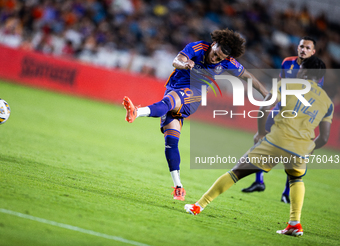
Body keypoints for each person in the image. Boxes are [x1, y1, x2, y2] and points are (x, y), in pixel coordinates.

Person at [185, 56, 333, 237]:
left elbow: (264, 107)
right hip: (301, 148)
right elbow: (324, 137)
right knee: (296, 179)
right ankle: (294, 223)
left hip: (276, 141)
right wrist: (311, 148)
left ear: (303, 71)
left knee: (236, 172)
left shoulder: (288, 85)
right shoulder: (327, 102)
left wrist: (261, 132)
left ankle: (198, 205)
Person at [123, 28, 268, 201]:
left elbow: (248, 76)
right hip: (174, 88)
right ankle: (178, 187)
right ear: (213, 44)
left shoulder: (228, 63)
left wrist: (266, 94)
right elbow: (177, 61)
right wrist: (185, 64)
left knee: (168, 103)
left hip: (193, 96)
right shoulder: (197, 48)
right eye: (215, 54)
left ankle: (136, 112)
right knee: (171, 143)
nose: (215, 59)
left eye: (220, 59)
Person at [241, 36, 324, 205]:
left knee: (293, 156)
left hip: (300, 117)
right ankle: (259, 181)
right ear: (297, 47)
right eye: (302, 46)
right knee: (259, 139)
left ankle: (286, 193)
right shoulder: (288, 62)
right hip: (280, 109)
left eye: (308, 48)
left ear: (313, 52)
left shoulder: (317, 68)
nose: (303, 50)